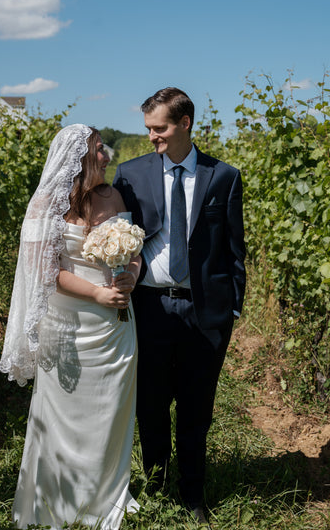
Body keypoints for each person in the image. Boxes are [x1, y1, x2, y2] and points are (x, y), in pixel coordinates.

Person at [113, 88, 246, 526]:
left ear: (185, 123)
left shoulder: (223, 176)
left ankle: (192, 495)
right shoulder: (130, 175)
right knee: (150, 408)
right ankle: (155, 486)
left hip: (204, 314)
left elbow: (233, 249)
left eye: (160, 128)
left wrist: (233, 310)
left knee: (195, 411)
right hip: (149, 309)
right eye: (148, 128)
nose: (152, 136)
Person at [0, 124, 142, 530]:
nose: (106, 155)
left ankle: (104, 496)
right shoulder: (45, 204)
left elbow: (134, 248)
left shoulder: (111, 195)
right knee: (63, 411)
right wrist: (96, 295)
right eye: (98, 150)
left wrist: (130, 275)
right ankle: (57, 498)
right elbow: (43, 272)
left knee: (110, 410)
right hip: (67, 326)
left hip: (114, 326)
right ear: (79, 157)